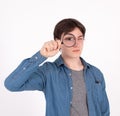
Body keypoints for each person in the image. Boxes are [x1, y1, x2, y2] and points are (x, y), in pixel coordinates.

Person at [4, 18, 110, 116]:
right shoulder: (48, 72)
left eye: (80, 38)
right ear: (58, 41)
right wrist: (41, 56)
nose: (76, 44)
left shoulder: (96, 73)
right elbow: (12, 84)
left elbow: (104, 111)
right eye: (69, 39)